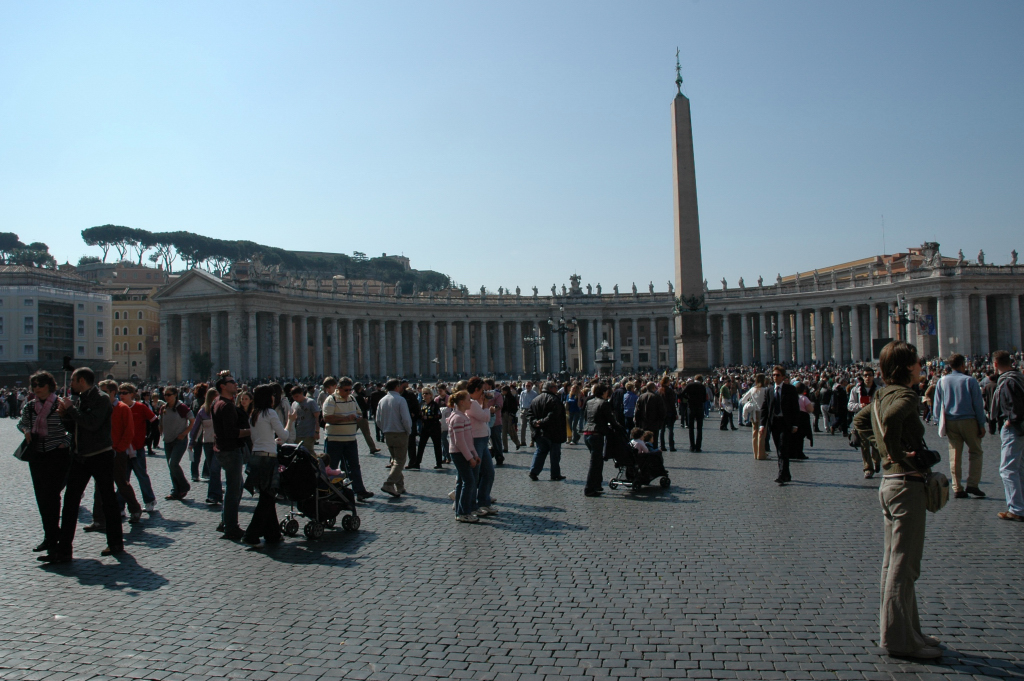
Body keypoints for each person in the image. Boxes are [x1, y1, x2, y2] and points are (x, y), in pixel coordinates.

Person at [852, 340, 942, 659]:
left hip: (890, 484)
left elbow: (860, 421)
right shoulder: (905, 395)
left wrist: (881, 453)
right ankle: (899, 640)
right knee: (905, 567)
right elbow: (890, 422)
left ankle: (910, 630)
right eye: (917, 362)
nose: (921, 367)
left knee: (894, 563)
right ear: (906, 367)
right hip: (906, 484)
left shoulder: (880, 394)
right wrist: (896, 454)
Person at [41, 367, 122, 562]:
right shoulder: (80, 399)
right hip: (80, 456)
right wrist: (64, 415)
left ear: (82, 381)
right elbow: (76, 427)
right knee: (70, 502)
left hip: (100, 455)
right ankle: (63, 551)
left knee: (108, 500)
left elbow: (91, 424)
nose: (70, 384)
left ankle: (115, 543)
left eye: (73, 380)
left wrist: (71, 410)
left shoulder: (101, 399)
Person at [18, 371, 72, 555]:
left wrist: (65, 442)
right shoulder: (30, 406)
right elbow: (22, 423)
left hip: (57, 454)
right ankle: (49, 535)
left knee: (52, 495)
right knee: (41, 496)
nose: (37, 389)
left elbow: (73, 427)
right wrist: (26, 430)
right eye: (34, 385)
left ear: (49, 386)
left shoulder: (60, 404)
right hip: (37, 455)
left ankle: (54, 535)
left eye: (40, 385)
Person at [82, 380, 143, 532]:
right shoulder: (98, 408)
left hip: (117, 452)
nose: (100, 395)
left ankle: (135, 508)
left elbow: (129, 432)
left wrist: (119, 449)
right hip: (100, 452)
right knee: (99, 487)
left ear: (113, 393)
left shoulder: (123, 408)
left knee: (121, 483)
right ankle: (98, 520)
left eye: (104, 392)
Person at [243, 384, 289, 547]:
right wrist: (291, 421)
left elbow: (257, 438)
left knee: (267, 495)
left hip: (256, 456)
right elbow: (284, 435)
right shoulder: (270, 413)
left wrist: (271, 441)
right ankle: (251, 534)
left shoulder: (253, 414)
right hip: (268, 458)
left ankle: (273, 534)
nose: (274, 398)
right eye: (272, 395)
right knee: (267, 498)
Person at [211, 374, 252, 541]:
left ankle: (225, 522)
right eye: (232, 382)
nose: (236, 384)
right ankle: (231, 527)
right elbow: (232, 432)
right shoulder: (226, 406)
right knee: (233, 490)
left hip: (222, 449)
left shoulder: (217, 402)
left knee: (235, 487)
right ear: (223, 386)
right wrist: (251, 431)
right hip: (230, 450)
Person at [321, 377, 373, 501]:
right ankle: (330, 492)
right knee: (331, 467)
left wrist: (358, 417)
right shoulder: (331, 400)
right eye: (346, 390)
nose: (349, 392)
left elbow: (360, 413)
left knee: (354, 466)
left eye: (350, 390)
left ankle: (360, 491)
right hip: (334, 440)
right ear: (338, 388)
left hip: (350, 439)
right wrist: (345, 418)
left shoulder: (352, 399)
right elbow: (327, 418)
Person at [989, 350, 1024, 522]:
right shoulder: (1018, 377)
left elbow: (1013, 405)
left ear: (995, 364)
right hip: (1020, 427)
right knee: (1019, 468)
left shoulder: (1008, 381)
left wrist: (1011, 420)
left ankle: (1016, 509)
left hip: (1014, 428)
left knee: (1007, 469)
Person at [118, 383, 158, 512]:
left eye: (124, 393)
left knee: (141, 476)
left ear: (132, 394)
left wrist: (149, 438)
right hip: (122, 448)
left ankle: (149, 500)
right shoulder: (118, 408)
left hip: (138, 448)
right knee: (123, 479)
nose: (121, 395)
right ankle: (120, 506)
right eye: (120, 393)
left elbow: (154, 420)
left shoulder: (140, 407)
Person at [760, 365, 800, 485]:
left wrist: (795, 424)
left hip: (785, 423)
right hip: (774, 423)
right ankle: (786, 474)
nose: (775, 377)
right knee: (779, 449)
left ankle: (781, 475)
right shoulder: (769, 390)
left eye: (777, 375)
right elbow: (764, 408)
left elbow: (795, 408)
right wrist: (762, 425)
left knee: (782, 448)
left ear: (783, 377)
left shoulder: (790, 389)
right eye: (773, 375)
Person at [446, 390, 482, 523]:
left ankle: (460, 510)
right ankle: (463, 512)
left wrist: (475, 454)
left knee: (463, 482)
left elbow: (468, 440)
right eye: (468, 400)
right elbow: (460, 442)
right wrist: (470, 458)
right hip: (459, 453)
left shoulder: (462, 416)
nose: (471, 402)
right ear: (461, 402)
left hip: (463, 453)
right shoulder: (458, 418)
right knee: (469, 482)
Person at [582, 383, 623, 497]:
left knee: (598, 461)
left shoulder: (589, 402)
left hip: (587, 433)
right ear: (604, 392)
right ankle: (589, 488)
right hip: (596, 435)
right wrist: (619, 428)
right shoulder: (604, 403)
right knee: (595, 463)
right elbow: (611, 419)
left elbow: (585, 417)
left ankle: (597, 485)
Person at [376, 378, 412, 498]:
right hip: (400, 433)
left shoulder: (382, 400)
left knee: (395, 460)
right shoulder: (400, 400)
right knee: (400, 462)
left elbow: (378, 420)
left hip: (388, 434)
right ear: (397, 387)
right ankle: (389, 484)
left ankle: (400, 487)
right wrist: (408, 431)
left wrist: (385, 429)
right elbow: (405, 419)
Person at [467, 377, 497, 515]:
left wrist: (483, 403)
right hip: (476, 441)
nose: (484, 393)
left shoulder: (475, 402)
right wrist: (485, 404)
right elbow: (485, 417)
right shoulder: (471, 403)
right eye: (483, 390)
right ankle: (473, 505)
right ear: (477, 389)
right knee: (475, 475)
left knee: (489, 472)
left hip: (483, 441)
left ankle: (484, 501)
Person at [188, 387, 223, 506]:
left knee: (214, 469)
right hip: (207, 443)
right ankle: (218, 494)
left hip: (219, 444)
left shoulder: (222, 409)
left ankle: (213, 495)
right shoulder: (203, 411)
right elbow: (196, 428)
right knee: (213, 470)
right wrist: (192, 442)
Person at [527, 381, 568, 482]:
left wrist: (535, 422)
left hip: (539, 431)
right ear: (550, 388)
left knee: (540, 451)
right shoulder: (554, 399)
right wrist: (542, 422)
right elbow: (553, 415)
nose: (556, 388)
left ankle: (533, 472)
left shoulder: (535, 399)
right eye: (555, 387)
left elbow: (530, 414)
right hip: (554, 431)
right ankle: (555, 474)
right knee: (555, 454)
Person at [159, 386, 194, 501]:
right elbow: (161, 420)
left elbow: (192, 421)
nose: (166, 397)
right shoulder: (163, 407)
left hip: (179, 440)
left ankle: (184, 486)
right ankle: (176, 491)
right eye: (165, 395)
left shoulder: (182, 407)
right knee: (171, 467)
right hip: (167, 440)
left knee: (173, 463)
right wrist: (161, 429)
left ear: (175, 395)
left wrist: (184, 433)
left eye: (169, 395)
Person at [849, 368, 882, 477]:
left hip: (875, 420)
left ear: (873, 376)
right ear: (862, 377)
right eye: (865, 375)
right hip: (861, 420)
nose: (868, 377)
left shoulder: (879, 390)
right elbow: (850, 405)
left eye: (870, 375)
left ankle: (876, 460)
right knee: (864, 445)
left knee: (876, 443)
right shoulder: (856, 390)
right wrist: (859, 406)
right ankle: (868, 468)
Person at [414, 387, 444, 469]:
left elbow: (439, 415)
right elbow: (419, 414)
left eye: (426, 393)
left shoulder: (434, 405)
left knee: (437, 445)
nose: (424, 395)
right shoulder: (422, 404)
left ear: (430, 395)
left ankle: (439, 463)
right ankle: (417, 463)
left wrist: (429, 417)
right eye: (423, 393)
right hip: (425, 427)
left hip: (434, 427)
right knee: (421, 445)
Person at [741, 374, 769, 460]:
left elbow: (743, 400)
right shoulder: (766, 390)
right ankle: (761, 454)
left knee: (754, 433)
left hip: (754, 413)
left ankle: (755, 453)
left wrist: (751, 402)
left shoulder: (753, 389)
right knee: (762, 434)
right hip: (763, 413)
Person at [288, 386, 320, 454]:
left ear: (301, 393)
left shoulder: (310, 402)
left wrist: (317, 431)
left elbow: (317, 418)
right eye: (293, 397)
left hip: (308, 433)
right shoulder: (294, 404)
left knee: (308, 452)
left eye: (297, 396)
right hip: (297, 433)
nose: (295, 398)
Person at [681, 376, 707, 452]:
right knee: (699, 428)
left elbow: (682, 394)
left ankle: (692, 446)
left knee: (691, 428)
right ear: (701, 380)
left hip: (691, 408)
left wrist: (688, 398)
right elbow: (704, 399)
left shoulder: (689, 385)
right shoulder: (702, 386)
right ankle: (698, 447)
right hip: (699, 408)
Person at [658, 377, 678, 452]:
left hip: (661, 413)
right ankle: (671, 446)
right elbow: (672, 403)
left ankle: (662, 446)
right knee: (670, 430)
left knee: (662, 430)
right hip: (669, 412)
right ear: (667, 382)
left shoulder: (659, 390)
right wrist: (675, 413)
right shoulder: (670, 391)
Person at [500, 385, 521, 452]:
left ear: (506, 391)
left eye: (503, 390)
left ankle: (517, 443)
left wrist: (512, 414)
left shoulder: (512, 398)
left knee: (510, 430)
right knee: (504, 432)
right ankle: (505, 448)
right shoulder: (503, 397)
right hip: (504, 415)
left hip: (510, 415)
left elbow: (515, 408)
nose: (502, 392)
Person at [518, 381, 538, 446]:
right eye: (526, 386)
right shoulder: (522, 393)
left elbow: (536, 403)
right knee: (522, 426)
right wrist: (521, 409)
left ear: (531, 386)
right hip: (523, 410)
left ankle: (532, 441)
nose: (527, 387)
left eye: (529, 386)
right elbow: (520, 401)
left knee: (531, 427)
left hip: (530, 411)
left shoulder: (534, 393)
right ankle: (522, 441)